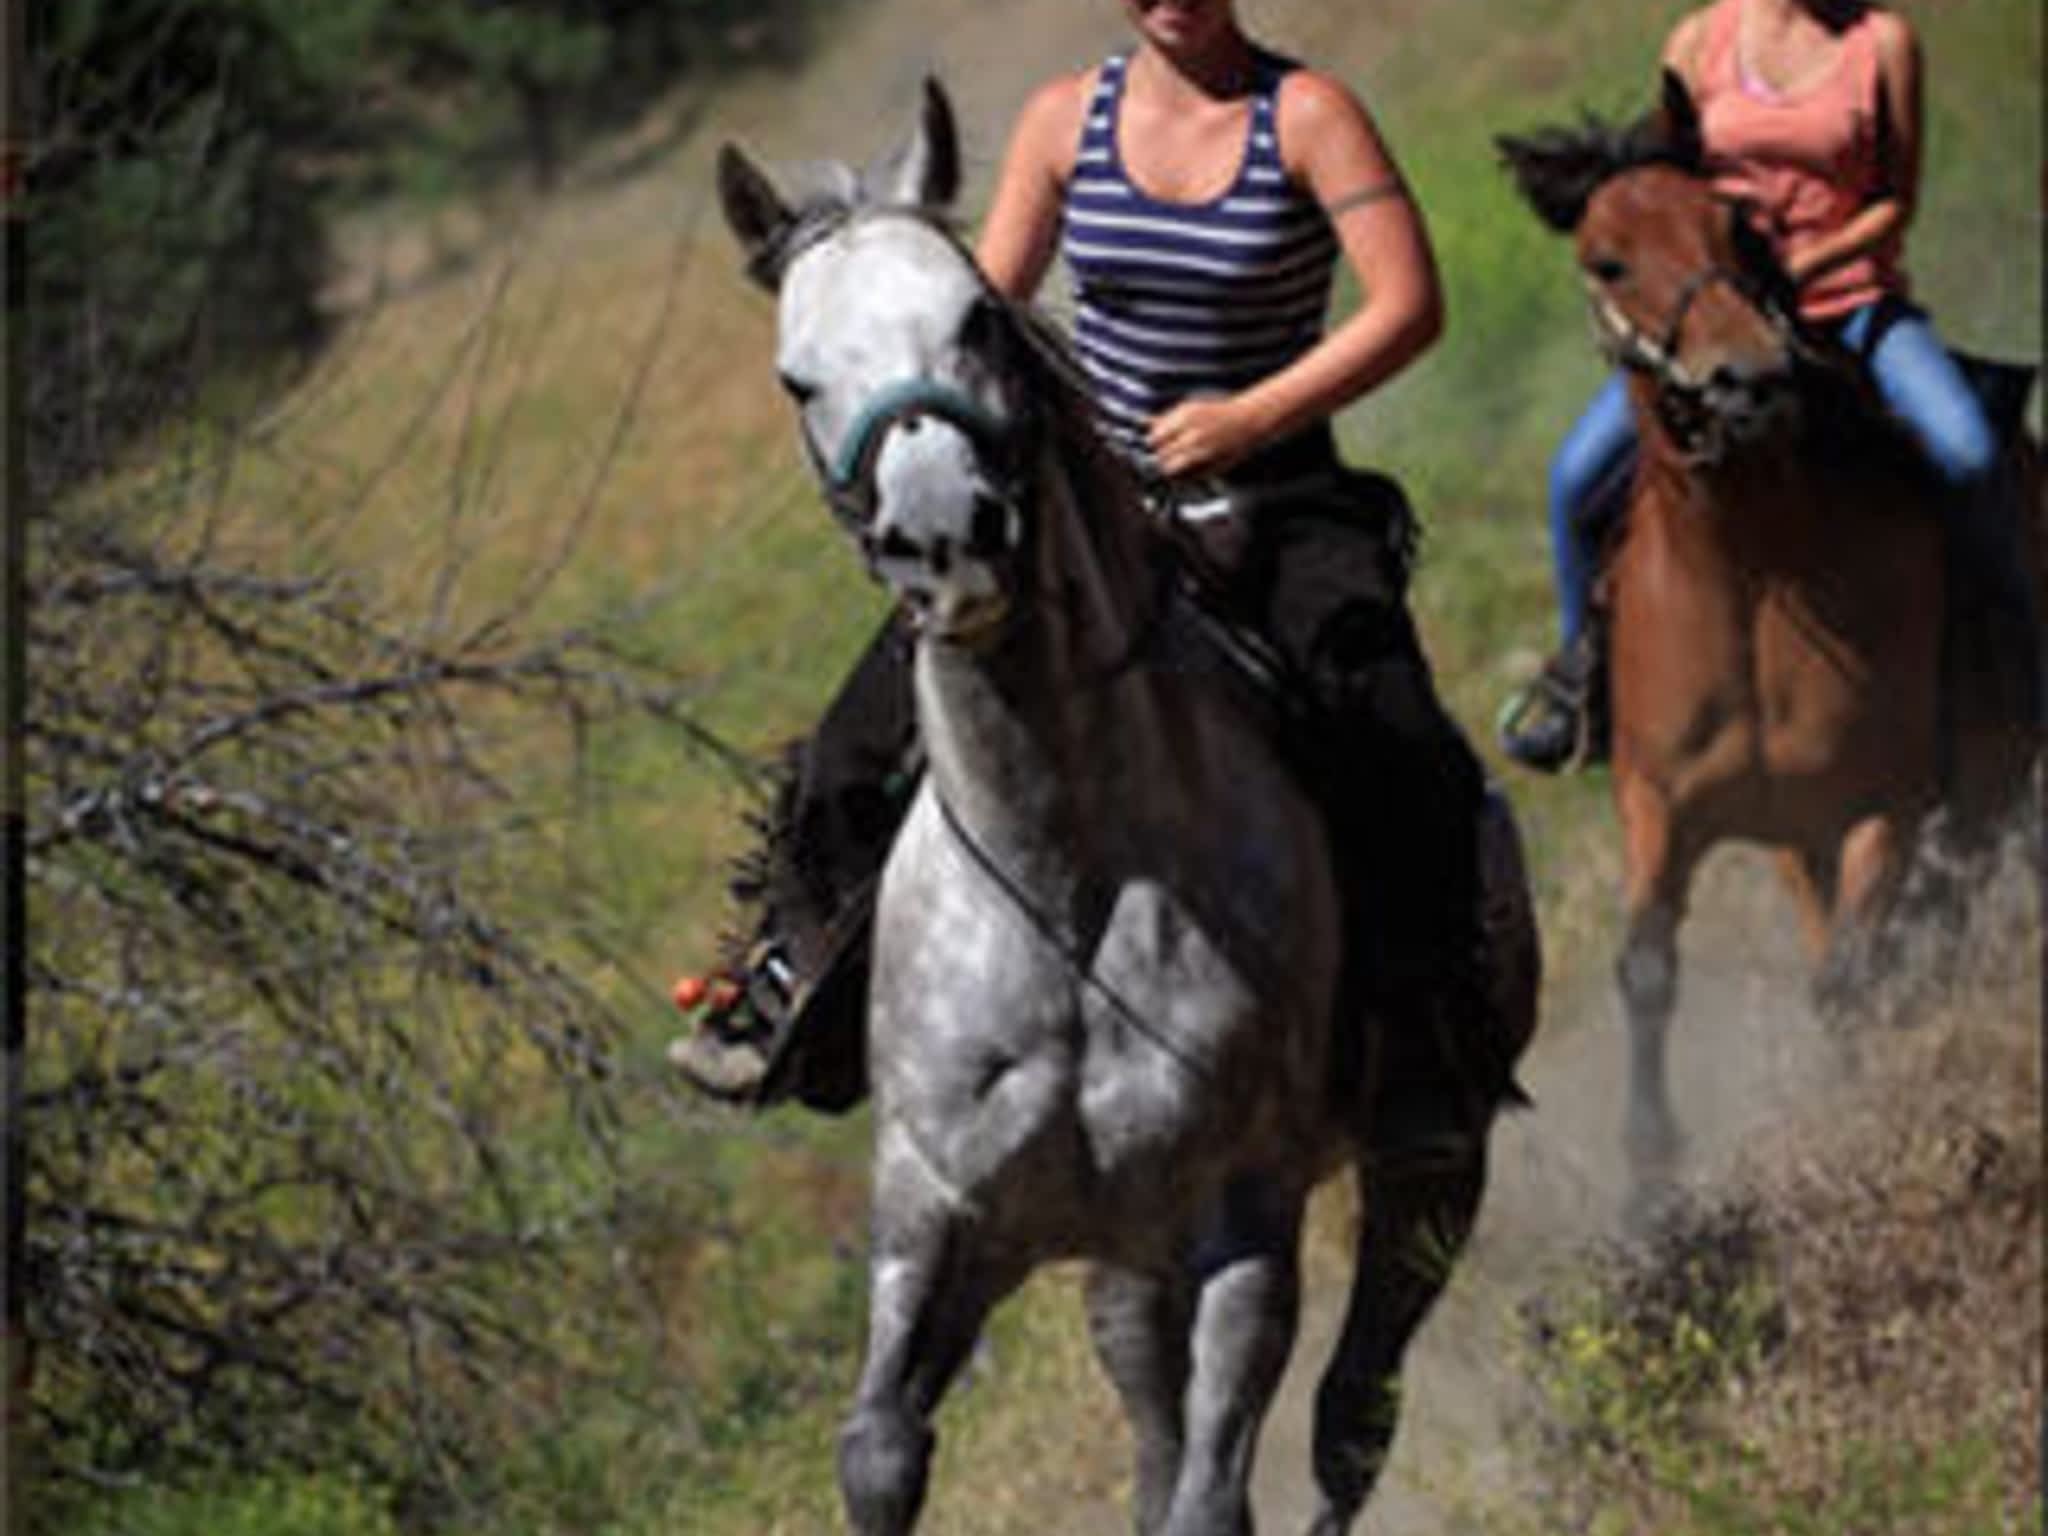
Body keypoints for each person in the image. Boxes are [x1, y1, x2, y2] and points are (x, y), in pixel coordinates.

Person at [672, 0, 1501, 1119]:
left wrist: (1246, 418)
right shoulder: (1064, 122)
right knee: (844, 756)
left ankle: (1425, 1033)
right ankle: (791, 997)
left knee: (1397, 741)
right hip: (1092, 506)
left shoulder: (1307, 116)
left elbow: (1408, 307)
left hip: (1276, 494)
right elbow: (987, 313)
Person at [1498, 0, 2034, 773]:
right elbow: (1665, 181)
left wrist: (1791, 274)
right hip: (1719, 320)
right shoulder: (1698, 40)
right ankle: (1587, 682)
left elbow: (1893, 205)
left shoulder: (1882, 43)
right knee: (1575, 479)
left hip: (1849, 303)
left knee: (1971, 450)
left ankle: (2007, 658)